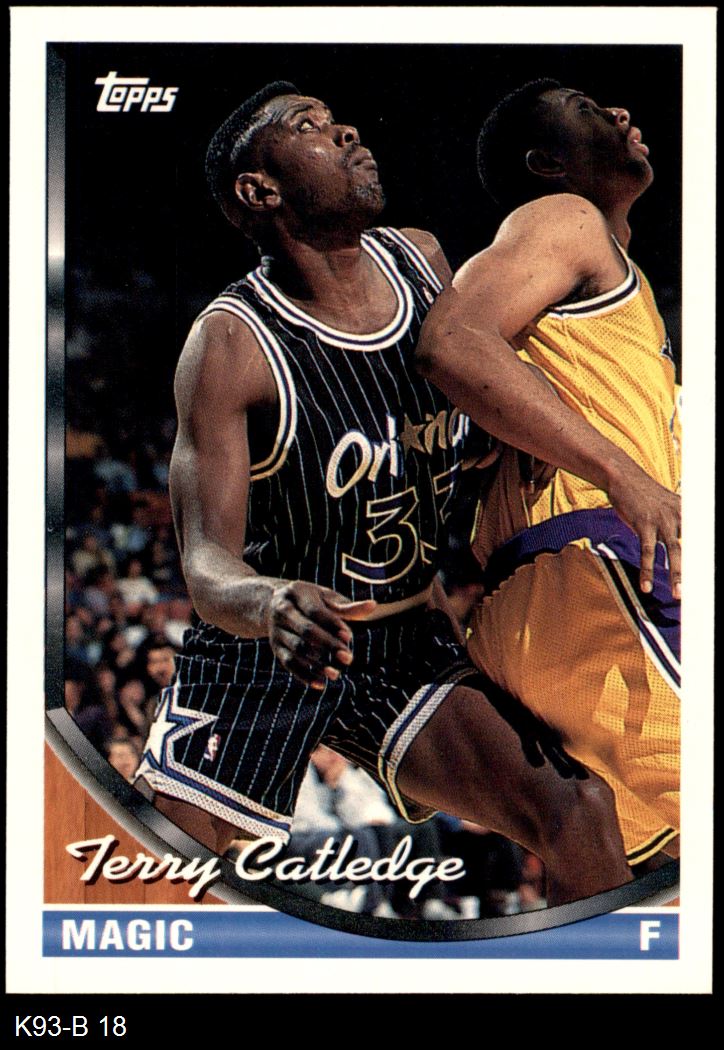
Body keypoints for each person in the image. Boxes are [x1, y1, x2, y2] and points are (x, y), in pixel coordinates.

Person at [133, 81, 678, 905]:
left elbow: (486, 383)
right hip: (271, 646)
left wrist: (519, 443)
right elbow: (207, 563)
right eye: (310, 127)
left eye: (336, 118)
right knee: (150, 876)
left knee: (576, 810)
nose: (347, 129)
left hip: (403, 639)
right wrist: (270, 600)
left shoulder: (422, 260)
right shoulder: (231, 343)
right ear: (259, 189)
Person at [417, 80, 681, 865]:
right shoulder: (564, 217)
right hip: (596, 569)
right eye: (590, 110)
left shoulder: (595, 293)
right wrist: (622, 472)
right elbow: (450, 342)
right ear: (547, 163)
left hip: (547, 602)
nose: (623, 113)